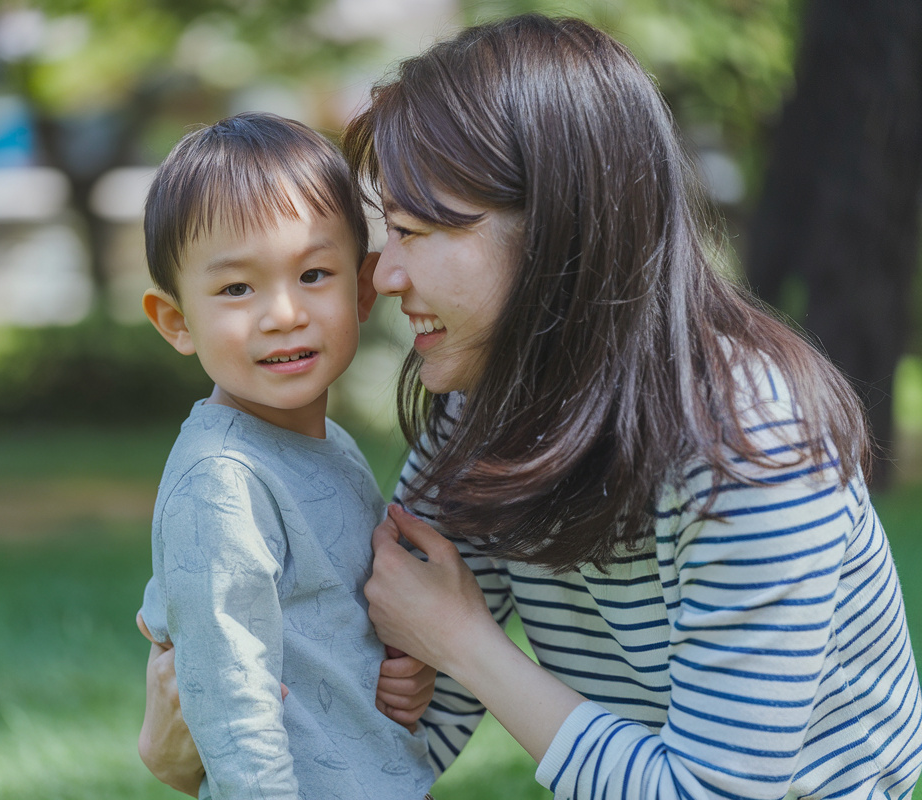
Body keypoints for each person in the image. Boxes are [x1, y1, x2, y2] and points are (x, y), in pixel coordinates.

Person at [138, 15, 922, 800]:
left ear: (555, 230)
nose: (384, 274)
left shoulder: (750, 449)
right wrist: (180, 749)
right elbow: (395, 717)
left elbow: (710, 794)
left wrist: (466, 642)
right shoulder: (483, 404)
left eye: (416, 230)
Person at [135, 111, 437, 800]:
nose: (283, 314)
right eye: (237, 288)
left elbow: (335, 625)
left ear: (362, 290)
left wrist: (403, 665)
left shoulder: (333, 448)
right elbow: (232, 703)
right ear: (177, 321)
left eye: (314, 273)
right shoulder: (221, 481)